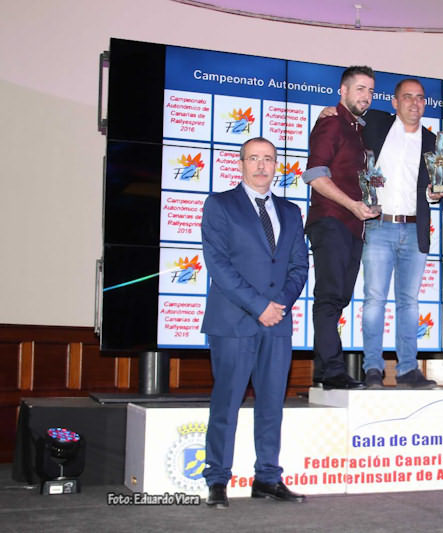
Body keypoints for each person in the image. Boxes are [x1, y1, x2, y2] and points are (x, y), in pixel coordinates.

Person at [201, 137, 308, 507]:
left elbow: (299, 266)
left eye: (268, 159)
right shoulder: (220, 205)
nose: (262, 166)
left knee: (272, 406)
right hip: (234, 323)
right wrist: (259, 306)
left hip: (277, 324)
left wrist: (279, 305)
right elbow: (218, 265)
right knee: (226, 404)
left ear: (276, 165)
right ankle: (217, 479)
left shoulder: (291, 211)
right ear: (241, 164)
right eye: (254, 159)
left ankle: (267, 477)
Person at [359, 78, 443, 389]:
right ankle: (373, 368)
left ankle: (408, 369)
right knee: (374, 300)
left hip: (414, 228)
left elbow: (436, 185)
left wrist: (435, 194)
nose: (414, 103)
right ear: (395, 103)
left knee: (409, 303)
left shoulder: (434, 142)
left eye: (420, 98)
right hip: (378, 226)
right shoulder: (375, 123)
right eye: (407, 97)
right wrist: (330, 111)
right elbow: (347, 115)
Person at [302, 65, 378, 390]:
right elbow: (315, 175)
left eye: (370, 90)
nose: (366, 96)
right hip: (331, 220)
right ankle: (333, 371)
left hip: (352, 225)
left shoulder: (358, 129)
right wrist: (351, 205)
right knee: (330, 298)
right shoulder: (332, 123)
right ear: (342, 91)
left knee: (338, 298)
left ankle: (323, 371)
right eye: (360, 88)